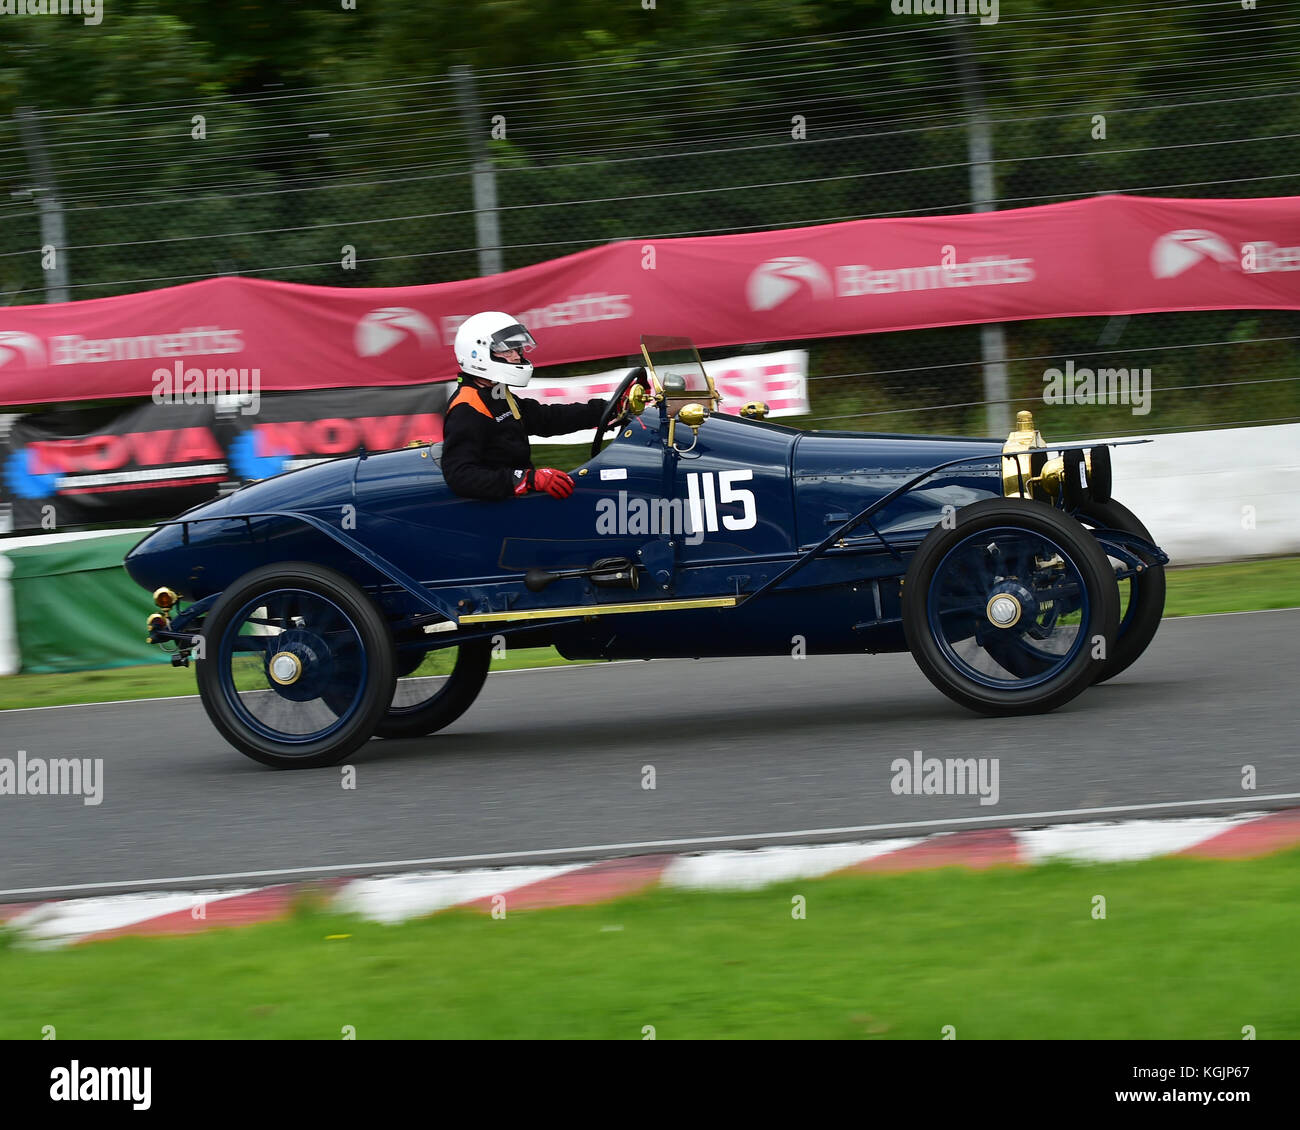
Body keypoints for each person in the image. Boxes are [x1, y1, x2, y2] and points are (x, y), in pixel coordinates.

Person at [440, 311, 613, 501]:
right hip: (496, 513)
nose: (516, 356)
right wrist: (527, 479)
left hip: (514, 503)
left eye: (516, 349)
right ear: (478, 353)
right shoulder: (467, 407)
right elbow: (460, 475)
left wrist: (605, 409)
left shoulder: (496, 394)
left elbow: (547, 419)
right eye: (506, 350)